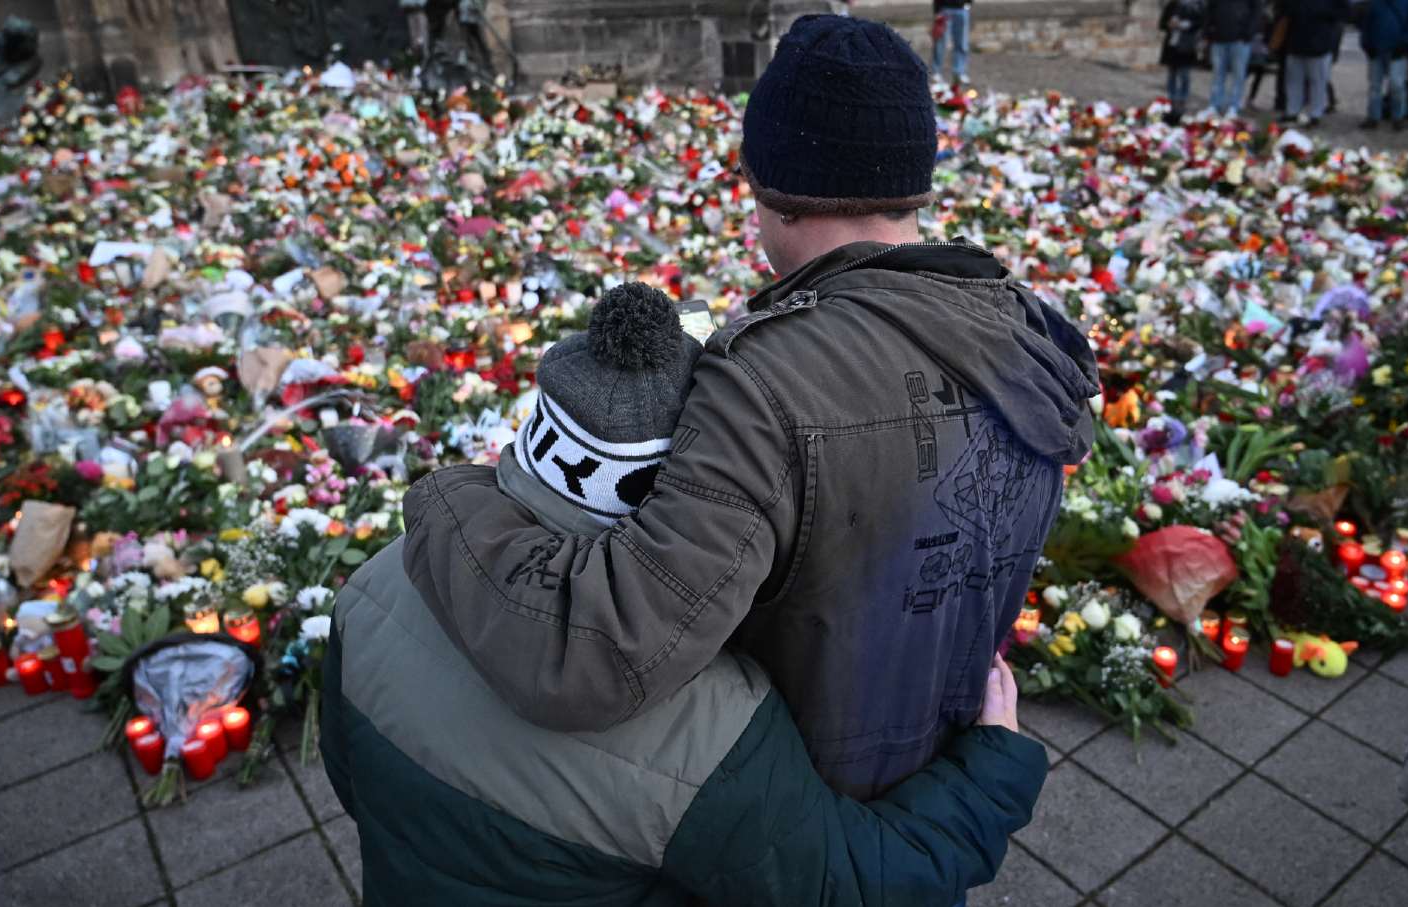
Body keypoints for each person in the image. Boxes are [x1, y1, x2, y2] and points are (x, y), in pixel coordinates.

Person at [401, 13, 1098, 802]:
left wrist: (448, 500)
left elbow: (593, 651)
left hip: (793, 817)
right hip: (941, 781)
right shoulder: (1028, 336)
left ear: (775, 190)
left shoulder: (769, 385)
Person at [321, 283, 1049, 905]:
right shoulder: (705, 725)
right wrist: (993, 767)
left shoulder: (377, 585)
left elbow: (355, 782)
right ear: (680, 486)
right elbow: (856, 884)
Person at [1281, 0, 1350, 127]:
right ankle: (1292, 111)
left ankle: (1315, 114)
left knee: (1317, 82)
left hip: (1319, 41)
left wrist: (1323, 14)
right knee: (1294, 80)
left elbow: (1342, 11)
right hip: (1296, 40)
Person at [1358, 0, 1408, 130]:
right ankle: (1373, 116)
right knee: (1375, 85)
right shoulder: (1375, 3)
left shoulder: (1407, 3)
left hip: (1397, 50)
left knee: (1396, 85)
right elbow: (1367, 25)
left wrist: (1404, 44)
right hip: (1377, 49)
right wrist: (1367, 44)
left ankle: (1398, 116)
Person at [1206, 0, 1263, 117]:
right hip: (1219, 38)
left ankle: (1234, 106)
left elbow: (1257, 12)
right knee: (1218, 75)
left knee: (1238, 75)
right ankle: (1214, 105)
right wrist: (1209, 31)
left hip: (1240, 40)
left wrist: (1248, 33)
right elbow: (1209, 10)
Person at [1161, 1, 1206, 123]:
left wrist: (1186, 25)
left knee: (1184, 73)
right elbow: (1162, 23)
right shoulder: (1173, 5)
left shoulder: (1197, 5)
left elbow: (1201, 22)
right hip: (1172, 45)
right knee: (1172, 73)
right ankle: (1172, 97)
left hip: (1187, 45)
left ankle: (1182, 97)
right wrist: (1170, 24)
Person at [931, 1, 974, 86]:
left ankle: (959, 73)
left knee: (962, 43)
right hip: (945, 9)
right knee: (940, 43)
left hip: (961, 9)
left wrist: (968, 4)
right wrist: (937, 11)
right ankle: (936, 72)